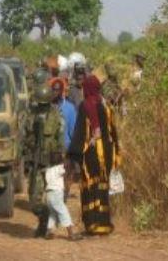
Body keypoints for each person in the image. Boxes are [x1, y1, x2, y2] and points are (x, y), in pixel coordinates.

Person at [68, 75, 120, 236]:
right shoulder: (106, 105)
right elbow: (113, 131)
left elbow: (80, 132)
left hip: (91, 154)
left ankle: (92, 224)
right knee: (102, 187)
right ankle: (104, 225)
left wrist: (73, 154)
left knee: (91, 186)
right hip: (107, 153)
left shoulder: (85, 106)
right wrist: (116, 151)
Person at [26, 84, 65, 238]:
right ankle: (44, 218)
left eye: (44, 103)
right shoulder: (31, 115)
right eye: (40, 103)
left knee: (53, 197)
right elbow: (25, 136)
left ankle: (49, 227)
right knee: (34, 200)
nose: (42, 106)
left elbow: (60, 138)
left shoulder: (56, 116)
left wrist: (60, 157)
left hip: (51, 162)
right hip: (36, 160)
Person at [44, 152, 82, 241]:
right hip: (56, 195)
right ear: (60, 161)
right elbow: (66, 169)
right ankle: (71, 234)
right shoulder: (59, 168)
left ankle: (48, 232)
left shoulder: (48, 170)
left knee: (53, 214)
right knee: (64, 212)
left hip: (48, 195)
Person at [51, 80, 76, 151]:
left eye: (57, 90)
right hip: (50, 149)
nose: (54, 92)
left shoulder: (70, 108)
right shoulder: (48, 107)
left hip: (64, 148)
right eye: (53, 90)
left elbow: (73, 131)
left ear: (61, 91)